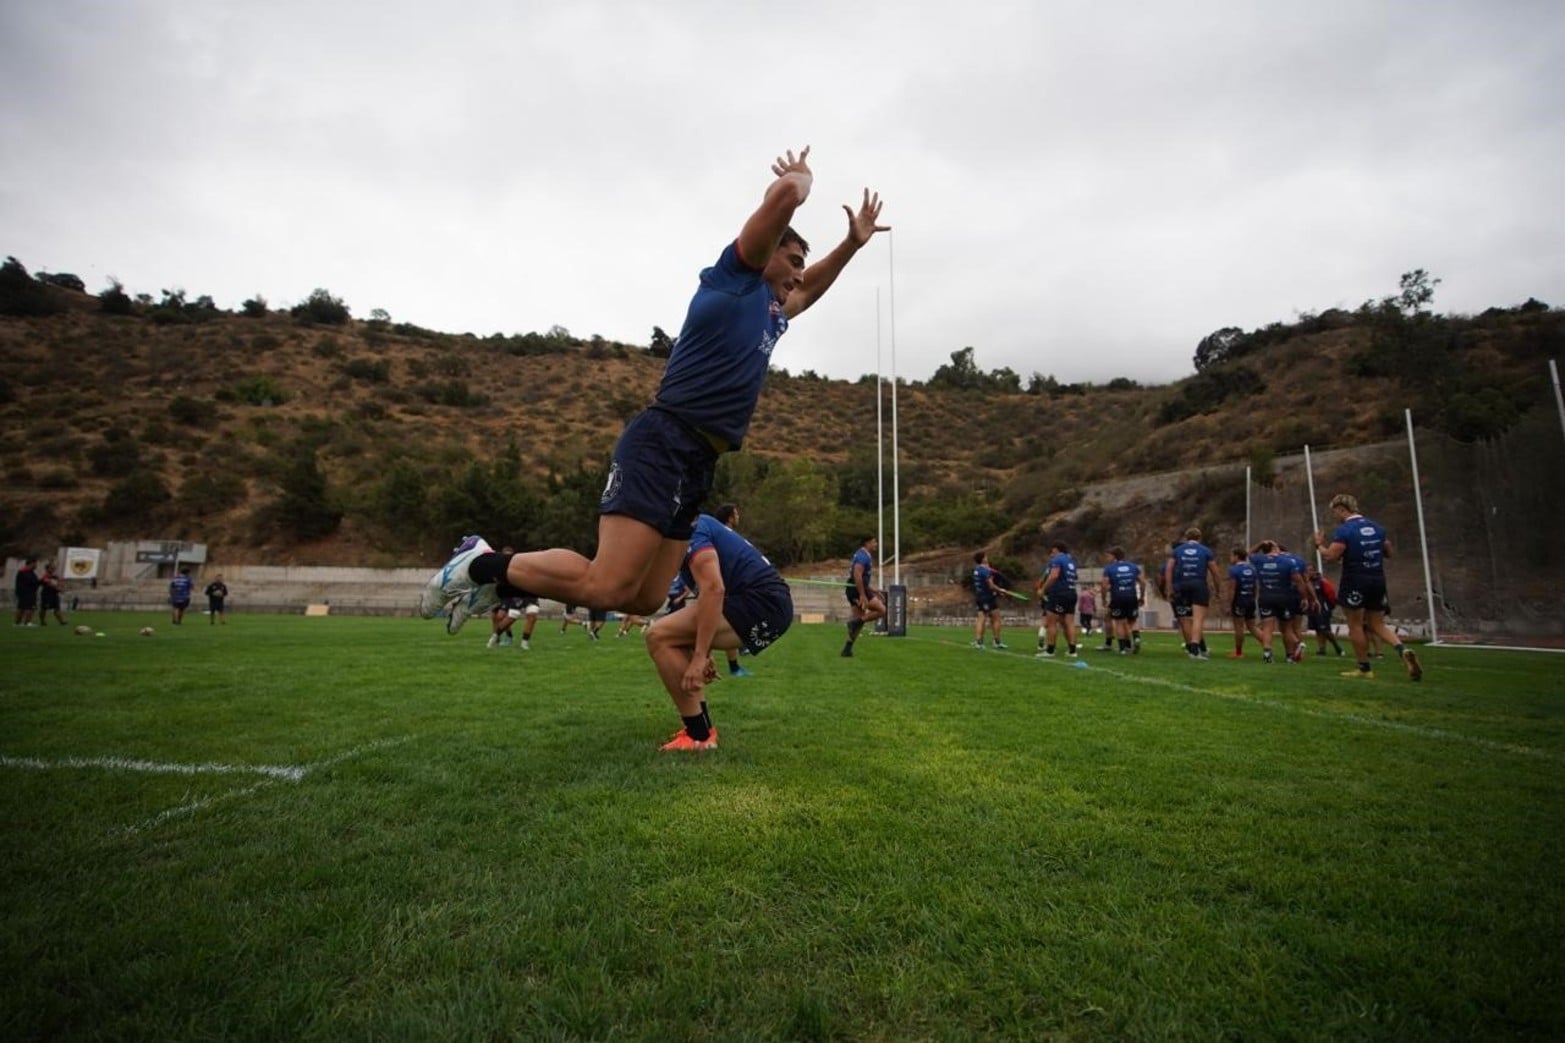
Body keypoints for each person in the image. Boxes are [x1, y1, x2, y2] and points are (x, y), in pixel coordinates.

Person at [420, 146, 888, 633]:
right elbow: (788, 195)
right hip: (664, 439)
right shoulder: (735, 280)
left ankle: (498, 578)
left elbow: (808, 292)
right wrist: (799, 182)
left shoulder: (771, 314)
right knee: (606, 583)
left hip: (699, 460)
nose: (797, 274)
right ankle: (481, 564)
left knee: (642, 598)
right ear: (767, 252)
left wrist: (852, 245)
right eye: (791, 260)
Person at [647, 513, 793, 751]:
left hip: (761, 603)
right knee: (671, 637)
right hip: (768, 604)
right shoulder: (690, 527)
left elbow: (714, 589)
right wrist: (700, 645)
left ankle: (699, 736)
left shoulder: (690, 526)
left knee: (658, 635)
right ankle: (701, 729)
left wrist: (700, 655)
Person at [1315, 492, 1423, 681]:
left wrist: (1319, 545)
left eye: (1335, 512)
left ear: (1342, 510)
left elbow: (1331, 556)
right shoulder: (1377, 527)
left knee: (1355, 625)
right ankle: (1402, 649)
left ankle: (1364, 668)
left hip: (1355, 580)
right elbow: (1388, 552)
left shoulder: (1345, 530)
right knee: (1377, 623)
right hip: (1377, 580)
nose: (1335, 516)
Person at [1250, 540, 1317, 664]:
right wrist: (1304, 598)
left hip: (1266, 597)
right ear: (1276, 548)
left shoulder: (1259, 560)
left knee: (1267, 627)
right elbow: (1299, 582)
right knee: (1286, 628)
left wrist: (1260, 544)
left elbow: (1249, 553)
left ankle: (1267, 654)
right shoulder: (1287, 562)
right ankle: (1291, 654)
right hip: (1284, 597)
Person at [1164, 527, 1223, 659]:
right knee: (1197, 619)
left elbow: (1169, 569)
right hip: (1198, 585)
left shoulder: (1177, 551)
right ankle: (1196, 649)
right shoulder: (1205, 551)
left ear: (1186, 537)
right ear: (1199, 538)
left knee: (1184, 618)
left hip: (1181, 585)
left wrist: (1169, 587)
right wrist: (1218, 590)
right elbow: (1216, 573)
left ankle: (1190, 648)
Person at [712, 503, 755, 676]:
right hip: (725, 587)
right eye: (736, 514)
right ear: (730, 518)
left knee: (732, 624)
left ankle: (734, 666)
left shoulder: (724, 535)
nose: (738, 517)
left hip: (730, 586)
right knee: (719, 625)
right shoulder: (724, 536)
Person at [842, 535, 886, 657]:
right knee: (881, 610)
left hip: (857, 589)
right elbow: (857, 575)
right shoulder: (862, 556)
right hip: (856, 591)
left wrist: (872, 590)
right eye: (874, 542)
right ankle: (855, 623)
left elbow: (862, 579)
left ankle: (847, 649)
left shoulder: (864, 555)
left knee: (859, 620)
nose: (876, 544)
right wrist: (862, 595)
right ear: (867, 543)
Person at [1034, 541, 1079, 658]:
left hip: (1058, 593)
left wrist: (1043, 589)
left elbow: (1054, 576)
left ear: (1056, 550)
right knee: (1069, 623)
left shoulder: (1057, 560)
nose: (1051, 554)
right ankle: (1072, 650)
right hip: (1071, 593)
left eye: (1052, 551)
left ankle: (1050, 650)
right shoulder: (1071, 562)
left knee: (1052, 621)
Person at [1099, 546, 1144, 654]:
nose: (1107, 558)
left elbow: (1104, 585)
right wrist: (1141, 596)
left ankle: (1123, 648)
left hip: (1118, 597)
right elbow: (1142, 582)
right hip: (1131, 596)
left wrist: (1104, 599)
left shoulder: (1109, 568)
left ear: (1114, 557)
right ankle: (1136, 637)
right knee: (1132, 620)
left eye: (1109, 556)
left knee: (1119, 622)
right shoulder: (1133, 566)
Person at [1223, 547, 1263, 658]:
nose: (1230, 558)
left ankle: (1239, 652)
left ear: (1236, 556)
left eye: (1231, 556)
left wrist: (1228, 604)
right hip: (1250, 600)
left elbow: (1232, 589)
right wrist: (1253, 598)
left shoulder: (1234, 570)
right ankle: (1267, 646)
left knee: (1239, 627)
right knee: (1252, 627)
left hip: (1239, 601)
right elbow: (1255, 587)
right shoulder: (1252, 569)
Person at [971, 550, 1008, 649]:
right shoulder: (985, 571)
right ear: (983, 558)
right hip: (987, 597)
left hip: (980, 597)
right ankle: (985, 642)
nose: (987, 558)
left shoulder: (977, 570)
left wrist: (998, 590)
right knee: (990, 618)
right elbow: (991, 585)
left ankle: (986, 641)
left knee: (989, 618)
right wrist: (1000, 590)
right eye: (986, 556)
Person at [1305, 563, 1344, 656]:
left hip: (1323, 608)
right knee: (1318, 629)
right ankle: (1321, 648)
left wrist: (1330, 606)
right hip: (1312, 608)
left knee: (1325, 629)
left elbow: (1331, 594)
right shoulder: (1306, 582)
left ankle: (1337, 647)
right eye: (1306, 571)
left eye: (1310, 570)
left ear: (1314, 571)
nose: (1308, 572)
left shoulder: (1322, 581)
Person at [13, 557, 39, 627]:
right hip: (26, 592)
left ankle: (18, 623)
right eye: (35, 564)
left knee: (22, 607)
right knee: (29, 608)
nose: (36, 565)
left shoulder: (30, 572)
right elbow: (31, 581)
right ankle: (27, 622)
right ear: (31, 563)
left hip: (27, 592)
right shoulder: (24, 571)